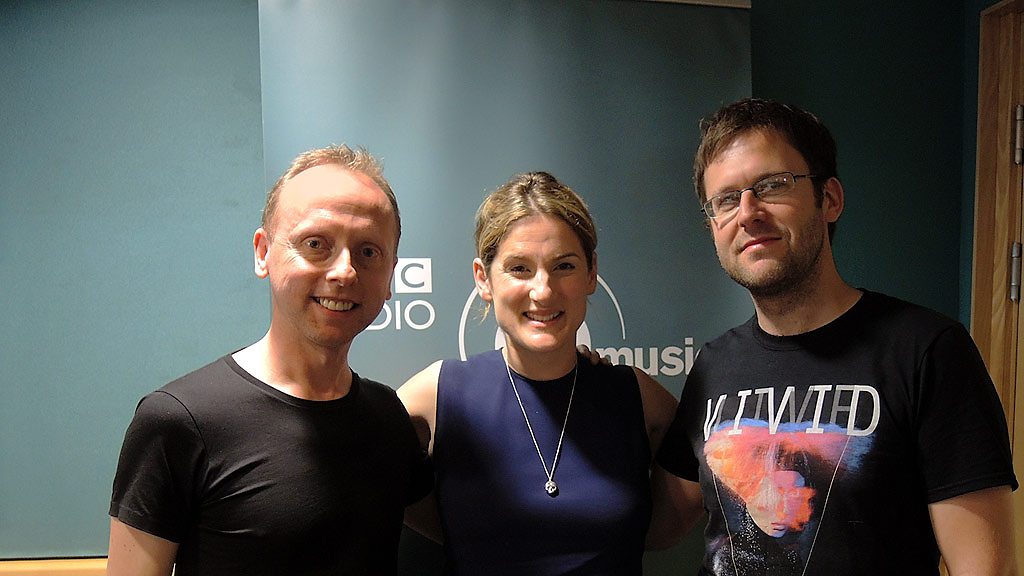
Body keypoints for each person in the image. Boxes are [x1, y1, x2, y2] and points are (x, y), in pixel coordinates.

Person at [656, 97, 1018, 575]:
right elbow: (657, 524)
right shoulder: (713, 365)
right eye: (725, 199)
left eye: (772, 185)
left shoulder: (926, 349)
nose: (747, 213)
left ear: (829, 199)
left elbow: (986, 567)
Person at [106, 145, 432, 576]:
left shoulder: (388, 418)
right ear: (263, 253)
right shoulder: (178, 421)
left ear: (391, 274)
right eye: (315, 244)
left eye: (368, 252)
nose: (344, 271)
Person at [398, 171, 691, 575]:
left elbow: (672, 520)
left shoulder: (632, 394)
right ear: (484, 279)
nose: (544, 291)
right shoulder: (440, 393)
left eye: (564, 266)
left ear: (591, 273)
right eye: (519, 268)